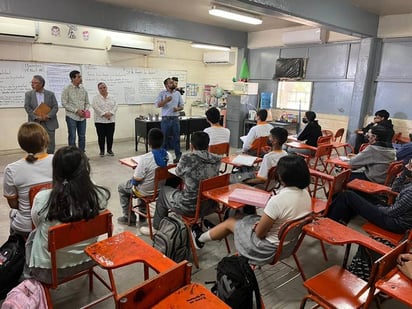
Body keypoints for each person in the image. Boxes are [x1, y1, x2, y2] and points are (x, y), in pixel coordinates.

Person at [197, 155, 312, 265]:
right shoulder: (306, 195)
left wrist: (257, 227)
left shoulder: (277, 201)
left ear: (283, 176)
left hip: (266, 250)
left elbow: (259, 233)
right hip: (289, 246)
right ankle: (213, 234)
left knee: (230, 222)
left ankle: (200, 239)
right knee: (243, 218)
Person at [25, 146, 110, 284]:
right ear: (85, 169)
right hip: (90, 259)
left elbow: (36, 223)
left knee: (34, 235)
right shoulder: (99, 195)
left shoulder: (43, 199)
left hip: (50, 271)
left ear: (56, 170)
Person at [149, 131, 221, 235]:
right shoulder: (217, 159)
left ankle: (157, 228)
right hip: (210, 205)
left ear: (191, 146)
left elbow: (178, 172)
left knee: (164, 192)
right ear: (208, 145)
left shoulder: (187, 158)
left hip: (189, 207)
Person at [3, 122, 53, 238]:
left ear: (22, 144)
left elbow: (13, 204)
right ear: (45, 139)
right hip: (54, 220)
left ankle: (20, 251)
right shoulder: (58, 160)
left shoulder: (12, 169)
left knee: (13, 214)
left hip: (27, 226)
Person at [118, 128, 171, 227]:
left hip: (146, 191)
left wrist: (133, 179)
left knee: (122, 187)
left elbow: (138, 179)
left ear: (148, 142)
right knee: (146, 181)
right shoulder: (168, 156)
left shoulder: (145, 159)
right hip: (160, 189)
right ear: (162, 141)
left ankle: (129, 217)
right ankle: (143, 214)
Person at [327, 183, 412, 234]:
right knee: (357, 191)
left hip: (394, 223)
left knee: (347, 195)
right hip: (394, 214)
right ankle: (343, 219)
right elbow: (395, 189)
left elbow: (391, 212)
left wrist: (377, 207)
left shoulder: (410, 192)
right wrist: (406, 172)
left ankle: (328, 221)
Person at [24, 75, 59, 154]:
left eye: (35, 83)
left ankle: (50, 158)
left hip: (49, 121)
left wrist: (48, 116)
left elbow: (55, 107)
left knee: (50, 141)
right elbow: (27, 107)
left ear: (41, 84)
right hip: (35, 121)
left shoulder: (50, 94)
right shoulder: (28, 94)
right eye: (32, 83)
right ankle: (35, 157)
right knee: (34, 141)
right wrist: (36, 117)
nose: (32, 84)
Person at [155, 77, 184, 163]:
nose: (173, 84)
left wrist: (177, 109)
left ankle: (178, 156)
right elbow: (157, 105)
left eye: (173, 83)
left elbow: (182, 106)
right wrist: (166, 100)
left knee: (176, 138)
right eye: (171, 83)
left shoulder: (177, 94)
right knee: (164, 139)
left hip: (175, 119)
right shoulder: (162, 94)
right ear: (166, 85)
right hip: (166, 119)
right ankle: (163, 157)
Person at [61, 70, 90, 152]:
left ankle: (81, 154)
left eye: (80, 77)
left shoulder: (83, 89)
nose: (81, 78)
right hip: (71, 117)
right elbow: (64, 103)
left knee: (82, 136)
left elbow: (87, 103)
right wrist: (76, 111)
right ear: (73, 78)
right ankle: (73, 155)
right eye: (79, 77)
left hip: (82, 118)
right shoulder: (67, 89)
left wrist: (85, 111)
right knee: (72, 136)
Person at [91, 82, 118, 157]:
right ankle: (102, 151)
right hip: (99, 121)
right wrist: (104, 114)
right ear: (98, 89)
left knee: (110, 136)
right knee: (101, 136)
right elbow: (95, 107)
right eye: (100, 88)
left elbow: (116, 106)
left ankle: (109, 150)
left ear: (106, 88)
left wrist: (111, 113)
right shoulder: (95, 98)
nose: (103, 89)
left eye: (104, 87)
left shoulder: (112, 97)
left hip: (111, 120)